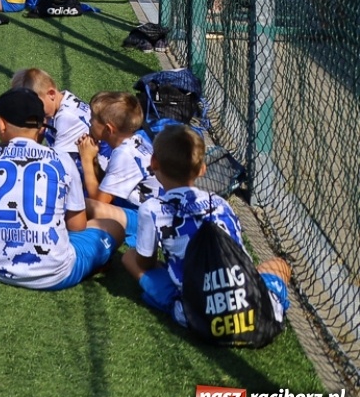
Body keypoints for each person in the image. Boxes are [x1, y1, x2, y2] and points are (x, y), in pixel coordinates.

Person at [123, 124, 290, 328]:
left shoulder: (152, 208)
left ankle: (176, 304)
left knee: (129, 257)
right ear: (202, 169)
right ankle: (260, 306)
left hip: (201, 316)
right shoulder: (220, 203)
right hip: (253, 312)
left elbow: (145, 263)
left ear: (154, 162)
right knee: (279, 264)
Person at [0, 87, 124, 291]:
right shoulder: (62, 160)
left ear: (1, 124)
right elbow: (77, 226)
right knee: (113, 226)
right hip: (55, 275)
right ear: (41, 128)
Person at [76, 91, 161, 245]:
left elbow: (98, 203)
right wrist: (94, 160)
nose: (89, 121)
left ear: (109, 129)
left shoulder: (125, 154)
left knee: (83, 204)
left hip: (150, 221)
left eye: (93, 118)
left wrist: (86, 160)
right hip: (144, 209)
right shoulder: (136, 139)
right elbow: (106, 187)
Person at [10, 67, 92, 171]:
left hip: (90, 175)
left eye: (35, 105)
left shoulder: (66, 118)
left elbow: (54, 166)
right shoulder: (61, 101)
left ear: (51, 94)